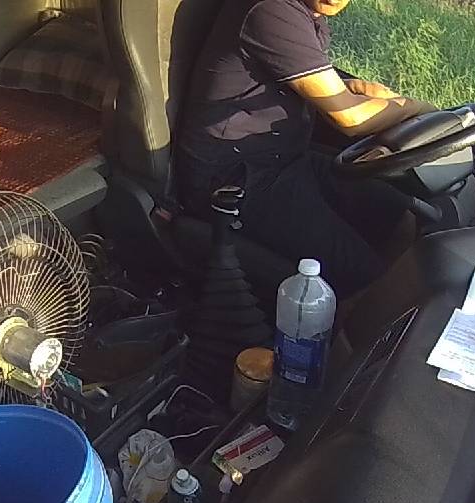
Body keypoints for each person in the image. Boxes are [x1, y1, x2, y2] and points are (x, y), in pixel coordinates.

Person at [176, 0, 437, 296]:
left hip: (286, 158)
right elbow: (349, 117)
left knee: (402, 217)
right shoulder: (270, 9)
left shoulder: (307, 13)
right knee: (366, 279)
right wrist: (419, 108)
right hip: (234, 177)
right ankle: (353, 316)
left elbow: (289, 71)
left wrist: (349, 86)